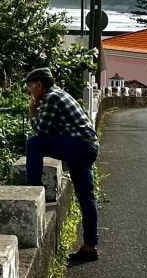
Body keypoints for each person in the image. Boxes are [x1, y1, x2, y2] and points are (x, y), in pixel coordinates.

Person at [23, 66, 100, 262]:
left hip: (80, 147)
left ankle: (31, 191)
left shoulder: (51, 98)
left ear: (40, 85)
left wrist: (32, 112)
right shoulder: (59, 94)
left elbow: (42, 131)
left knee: (33, 144)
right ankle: (90, 246)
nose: (30, 91)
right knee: (86, 197)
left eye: (31, 86)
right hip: (87, 146)